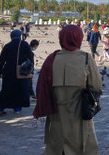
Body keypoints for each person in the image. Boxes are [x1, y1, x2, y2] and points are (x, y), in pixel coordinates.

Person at [33, 24, 102, 154]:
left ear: (61, 38)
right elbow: (96, 86)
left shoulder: (51, 60)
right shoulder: (86, 59)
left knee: (57, 149)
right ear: (79, 38)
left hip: (56, 117)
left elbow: (42, 89)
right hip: (79, 117)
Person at [0, 30, 33, 115]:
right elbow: (30, 57)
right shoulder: (24, 44)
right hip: (21, 70)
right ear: (20, 36)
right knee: (19, 89)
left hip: (8, 71)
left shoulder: (7, 46)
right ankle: (17, 108)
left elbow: (2, 60)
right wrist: (30, 70)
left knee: (6, 90)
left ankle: (1, 107)